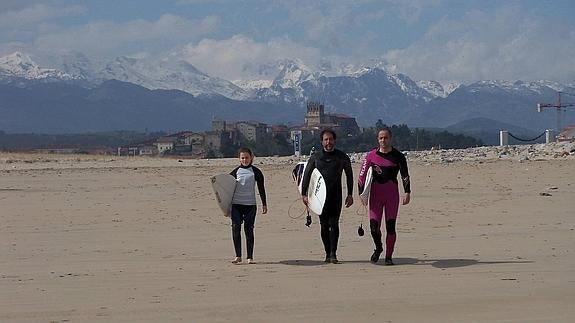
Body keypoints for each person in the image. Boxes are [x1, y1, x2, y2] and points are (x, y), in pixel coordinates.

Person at [358, 128, 411, 265]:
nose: (383, 140)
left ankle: (388, 256)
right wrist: (361, 193)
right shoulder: (370, 156)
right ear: (377, 139)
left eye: (386, 137)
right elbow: (361, 176)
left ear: (390, 138)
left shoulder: (398, 156)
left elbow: (405, 175)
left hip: (392, 196)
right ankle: (379, 248)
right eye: (381, 138)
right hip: (375, 196)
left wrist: (407, 192)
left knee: (390, 227)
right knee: (374, 228)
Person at [301, 129, 354, 264]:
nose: (328, 142)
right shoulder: (316, 157)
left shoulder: (342, 157)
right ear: (322, 141)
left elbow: (349, 175)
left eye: (330, 139)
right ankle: (327, 253)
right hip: (319, 198)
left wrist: (350, 194)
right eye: (326, 139)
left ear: (334, 140)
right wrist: (304, 194)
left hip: (336, 196)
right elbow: (306, 175)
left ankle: (333, 253)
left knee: (334, 224)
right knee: (324, 225)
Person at [229, 147, 268, 264]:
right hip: (236, 205)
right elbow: (226, 188)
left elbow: (261, 189)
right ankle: (238, 256)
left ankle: (250, 257)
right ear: (239, 159)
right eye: (242, 158)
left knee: (249, 229)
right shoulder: (235, 172)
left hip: (250, 205)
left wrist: (264, 204)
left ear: (251, 158)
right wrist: (225, 205)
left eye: (247, 157)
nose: (245, 160)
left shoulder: (256, 172)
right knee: (236, 228)